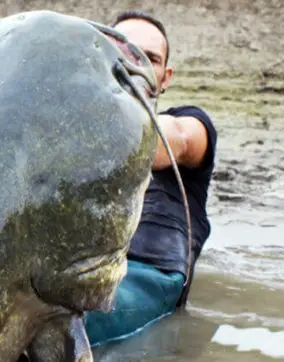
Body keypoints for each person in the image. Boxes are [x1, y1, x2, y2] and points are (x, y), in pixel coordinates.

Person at [84, 10, 218, 347]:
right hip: (75, 274)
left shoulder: (192, 124)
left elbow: (180, 139)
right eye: (122, 51)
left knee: (58, 321)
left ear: (165, 76)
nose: (133, 65)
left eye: (149, 58)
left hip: (149, 278)